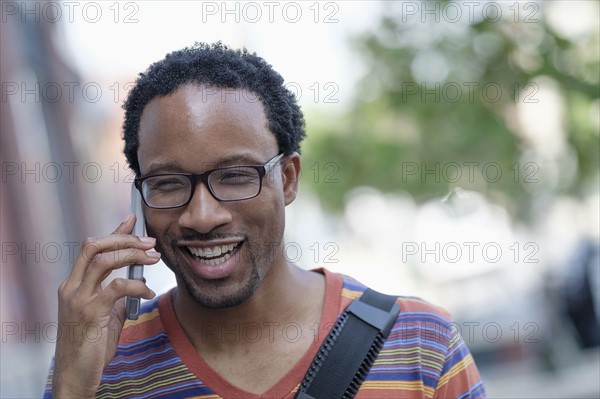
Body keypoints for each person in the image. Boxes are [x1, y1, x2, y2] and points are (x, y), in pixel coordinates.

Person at [44, 42, 487, 398]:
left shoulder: (421, 347)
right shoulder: (99, 365)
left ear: (288, 178)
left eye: (235, 176)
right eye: (169, 183)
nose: (202, 216)